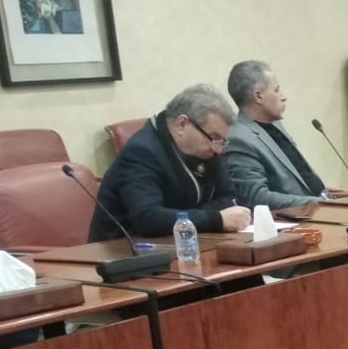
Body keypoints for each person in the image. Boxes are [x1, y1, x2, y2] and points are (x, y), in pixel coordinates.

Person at [89, 84, 250, 240]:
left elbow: (232, 198)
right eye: (214, 137)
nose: (218, 149)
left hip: (188, 240)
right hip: (124, 250)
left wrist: (189, 215)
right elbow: (148, 218)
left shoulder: (208, 149)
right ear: (182, 124)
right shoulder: (141, 152)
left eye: (222, 140)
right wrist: (214, 218)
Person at [220, 60, 327, 211]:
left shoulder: (275, 124)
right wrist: (320, 202)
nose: (283, 96)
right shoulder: (239, 139)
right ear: (258, 96)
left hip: (322, 205)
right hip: (299, 216)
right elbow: (257, 197)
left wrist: (330, 199)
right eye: (277, 90)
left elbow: (302, 176)